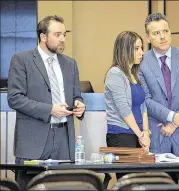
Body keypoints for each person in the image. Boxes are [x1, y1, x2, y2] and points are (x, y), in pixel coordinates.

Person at [7, 15, 85, 190]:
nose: (63, 39)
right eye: (57, 35)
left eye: (64, 34)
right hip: (33, 141)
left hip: (64, 141)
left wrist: (79, 104)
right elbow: (14, 98)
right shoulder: (21, 60)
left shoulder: (70, 64)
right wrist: (50, 109)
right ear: (43, 36)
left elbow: (76, 96)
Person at [139, 13, 179, 182]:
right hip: (157, 134)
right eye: (156, 33)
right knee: (158, 185)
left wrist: (174, 123)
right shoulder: (141, 62)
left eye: (165, 31)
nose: (162, 36)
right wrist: (171, 116)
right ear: (148, 37)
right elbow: (146, 99)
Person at [104, 31, 151, 181]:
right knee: (129, 182)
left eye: (141, 48)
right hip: (121, 135)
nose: (142, 52)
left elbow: (143, 107)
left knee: (140, 182)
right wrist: (141, 136)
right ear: (125, 49)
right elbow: (124, 109)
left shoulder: (135, 74)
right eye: (137, 48)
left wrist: (145, 134)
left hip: (137, 135)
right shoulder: (115, 73)